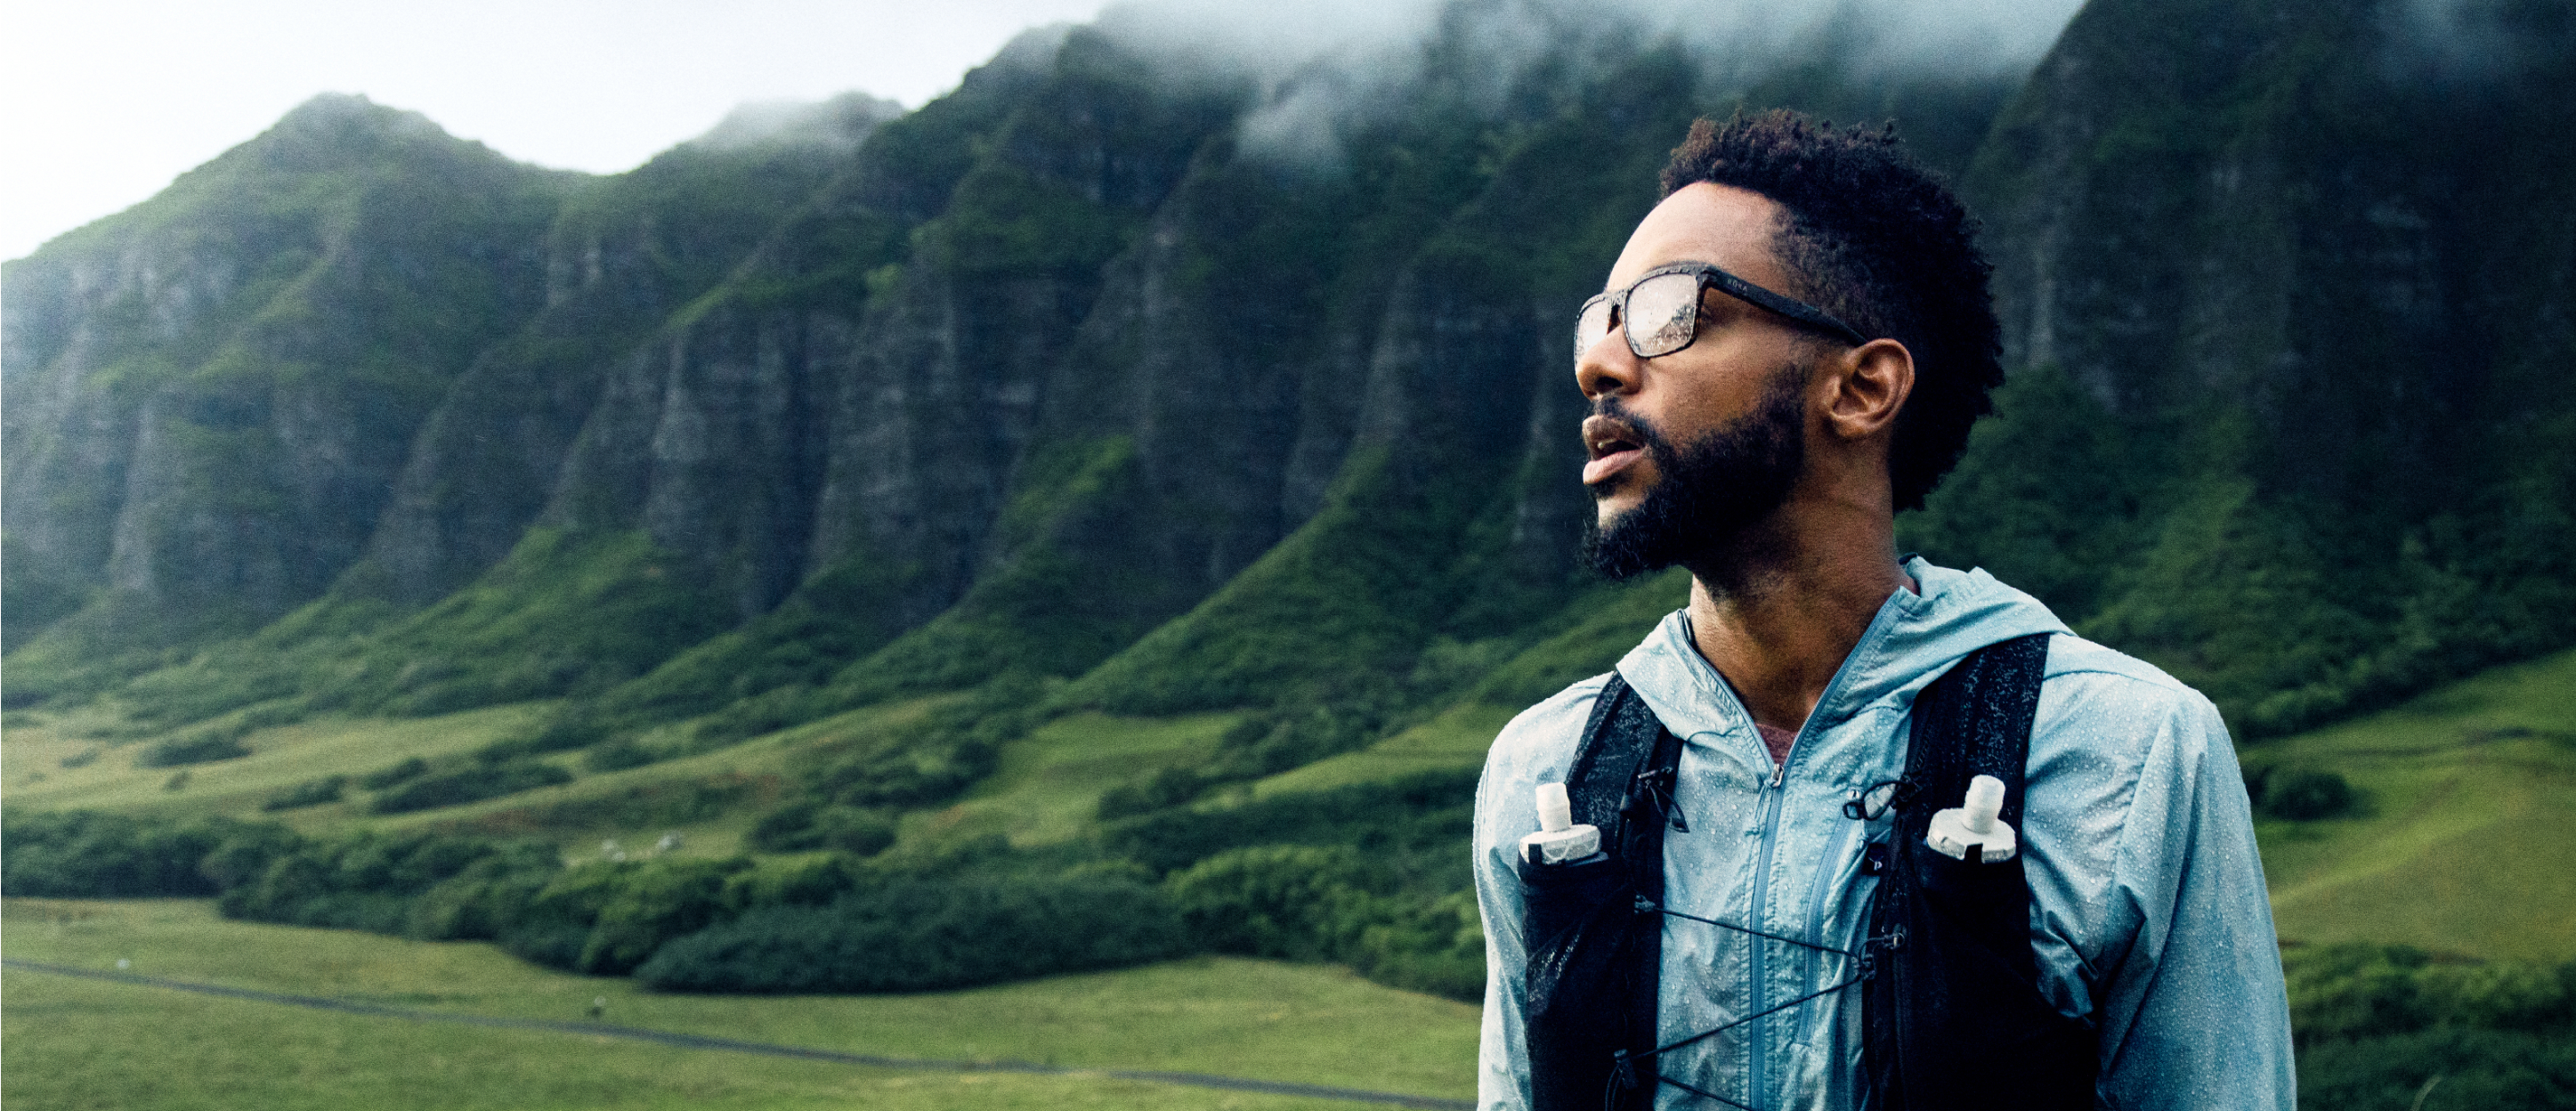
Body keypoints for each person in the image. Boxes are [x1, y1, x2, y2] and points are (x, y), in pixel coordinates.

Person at [1472, 110, 2294, 1110]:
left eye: (1667, 312)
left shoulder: (2129, 754)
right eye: (1600, 320)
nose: (1598, 365)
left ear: (1862, 389)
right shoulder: (1546, 775)